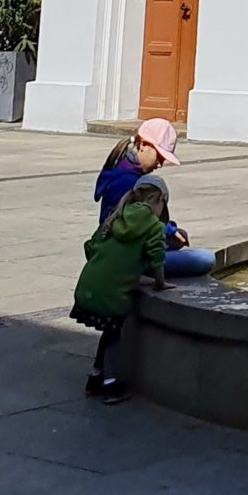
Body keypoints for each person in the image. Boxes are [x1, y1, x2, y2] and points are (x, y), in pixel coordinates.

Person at [72, 171, 170, 402]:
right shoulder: (154, 226)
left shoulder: (116, 216)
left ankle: (95, 377)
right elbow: (157, 259)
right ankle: (111, 385)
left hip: (87, 286)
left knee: (109, 332)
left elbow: (91, 246)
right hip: (111, 296)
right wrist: (160, 283)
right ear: (159, 200)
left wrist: (111, 270)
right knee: (115, 336)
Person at [93, 120, 215, 281]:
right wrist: (165, 230)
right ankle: (143, 265)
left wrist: (168, 230)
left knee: (179, 237)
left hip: (122, 247)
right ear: (144, 145)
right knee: (205, 258)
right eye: (160, 156)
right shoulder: (126, 180)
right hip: (123, 255)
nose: (160, 164)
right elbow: (132, 224)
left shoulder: (123, 168)